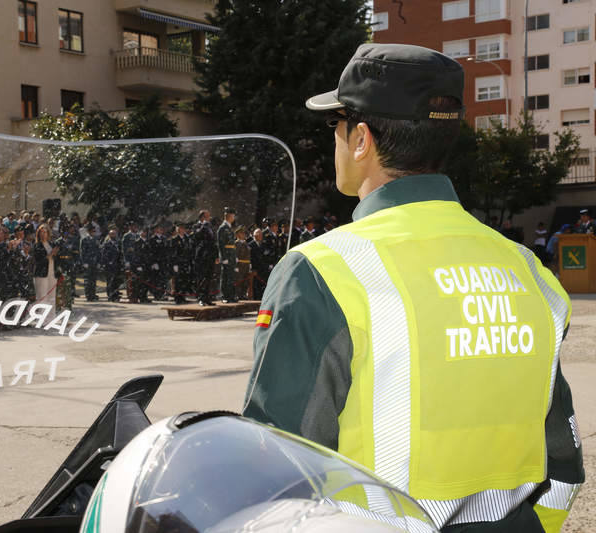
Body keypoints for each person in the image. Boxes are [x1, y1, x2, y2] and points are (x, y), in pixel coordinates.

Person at [243, 44, 583, 532]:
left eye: (335, 127)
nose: (334, 141)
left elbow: (275, 467)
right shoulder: (529, 271)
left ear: (360, 139)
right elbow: (562, 463)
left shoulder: (321, 271)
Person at [193, 210, 217, 306]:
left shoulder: (210, 226)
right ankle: (200, 298)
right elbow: (197, 236)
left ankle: (207, 297)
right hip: (202, 256)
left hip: (210, 255)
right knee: (201, 277)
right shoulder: (197, 226)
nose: (209, 218)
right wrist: (203, 226)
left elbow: (213, 242)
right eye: (207, 216)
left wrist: (216, 255)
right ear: (202, 217)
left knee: (209, 277)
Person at [33, 224, 58, 311]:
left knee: (52, 298)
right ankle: (42, 320)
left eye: (45, 232)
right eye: (41, 232)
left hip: (52, 273)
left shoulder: (51, 244)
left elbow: (56, 258)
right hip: (41, 274)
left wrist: (55, 254)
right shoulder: (37, 245)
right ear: (39, 234)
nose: (43, 234)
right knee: (42, 297)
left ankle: (51, 319)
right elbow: (38, 261)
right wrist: (49, 255)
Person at [217, 208, 238, 303]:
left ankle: (230, 295)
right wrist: (224, 258)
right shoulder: (222, 228)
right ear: (228, 216)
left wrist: (235, 256)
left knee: (231, 276)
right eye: (232, 216)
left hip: (231, 256)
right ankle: (224, 295)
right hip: (226, 256)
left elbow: (232, 244)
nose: (233, 218)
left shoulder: (229, 227)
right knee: (225, 276)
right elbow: (221, 244)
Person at [169, 222, 192, 304]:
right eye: (179, 228)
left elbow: (189, 251)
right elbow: (173, 253)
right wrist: (174, 264)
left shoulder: (187, 239)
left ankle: (183, 296)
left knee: (185, 280)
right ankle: (178, 298)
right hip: (178, 263)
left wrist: (189, 262)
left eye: (182, 228)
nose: (181, 230)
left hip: (185, 262)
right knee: (178, 281)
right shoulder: (174, 239)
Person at [100, 228, 122, 302]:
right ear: (109, 235)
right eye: (112, 234)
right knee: (110, 281)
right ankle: (110, 295)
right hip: (109, 265)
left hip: (116, 264)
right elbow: (103, 254)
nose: (113, 235)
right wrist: (106, 262)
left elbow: (120, 253)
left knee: (116, 281)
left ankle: (115, 294)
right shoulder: (106, 243)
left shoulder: (117, 243)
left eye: (114, 234)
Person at [80, 223, 100, 301]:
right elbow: (83, 252)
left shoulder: (96, 240)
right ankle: (88, 295)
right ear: (88, 231)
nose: (94, 232)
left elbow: (98, 252)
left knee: (93, 279)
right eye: (92, 231)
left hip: (94, 262)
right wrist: (84, 262)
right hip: (88, 262)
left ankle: (93, 294)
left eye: (94, 231)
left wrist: (98, 262)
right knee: (87, 280)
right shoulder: (84, 240)